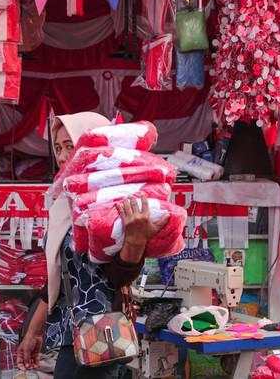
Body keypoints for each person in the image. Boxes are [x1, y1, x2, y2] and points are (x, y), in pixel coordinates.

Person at [16, 112, 167, 378]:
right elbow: (60, 280)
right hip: (70, 336)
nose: (62, 156)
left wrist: (134, 241)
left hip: (100, 334)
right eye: (58, 148)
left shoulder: (109, 198)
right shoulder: (66, 202)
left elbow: (117, 277)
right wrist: (33, 332)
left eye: (70, 146)